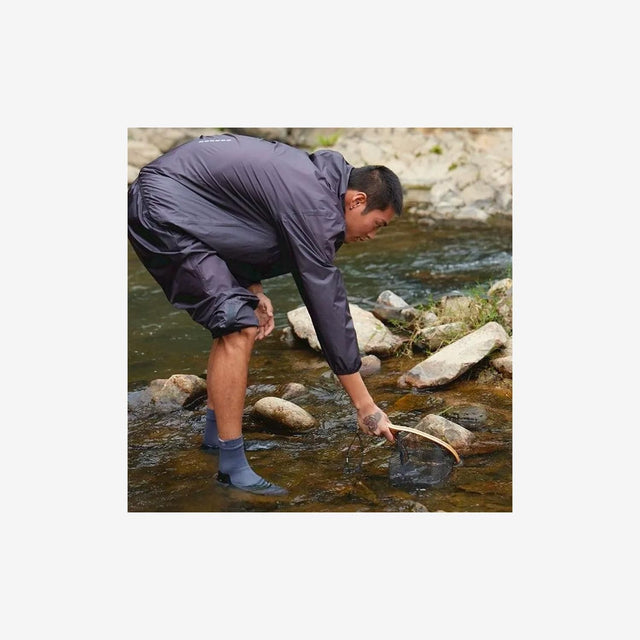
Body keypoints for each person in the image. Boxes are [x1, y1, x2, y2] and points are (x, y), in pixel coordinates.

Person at [128, 132, 403, 496]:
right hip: (163, 208)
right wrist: (365, 406)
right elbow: (326, 303)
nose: (373, 236)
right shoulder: (316, 204)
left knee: (238, 314)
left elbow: (246, 217)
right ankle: (231, 468)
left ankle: (216, 439)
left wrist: (252, 288)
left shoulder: (315, 183)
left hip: (184, 201)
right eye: (377, 225)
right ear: (357, 200)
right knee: (238, 326)